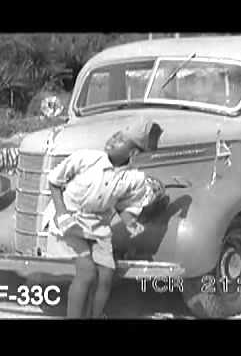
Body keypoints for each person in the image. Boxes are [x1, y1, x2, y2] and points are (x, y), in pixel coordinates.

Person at [46, 119, 164, 318]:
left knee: (106, 276)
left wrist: (130, 222)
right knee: (87, 272)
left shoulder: (134, 179)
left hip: (99, 228)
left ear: (133, 153)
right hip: (71, 222)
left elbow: (126, 206)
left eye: (120, 140)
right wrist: (61, 212)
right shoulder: (85, 159)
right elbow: (54, 181)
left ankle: (95, 315)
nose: (112, 140)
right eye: (115, 135)